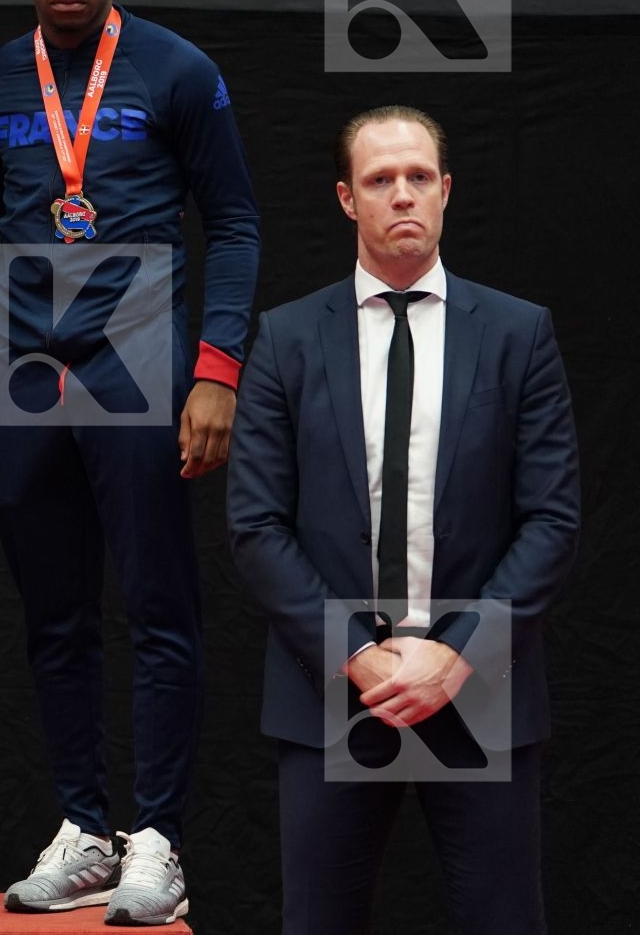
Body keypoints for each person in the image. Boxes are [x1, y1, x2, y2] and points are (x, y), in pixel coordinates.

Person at [0, 0, 260, 926]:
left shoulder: (178, 68)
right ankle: (86, 827)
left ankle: (161, 840)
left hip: (140, 335)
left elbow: (232, 226)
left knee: (160, 609)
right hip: (27, 354)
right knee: (53, 616)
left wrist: (216, 372)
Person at [227, 106, 578, 935]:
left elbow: (552, 518)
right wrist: (356, 656)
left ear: (447, 190)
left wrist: (457, 654)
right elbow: (255, 525)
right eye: (380, 180)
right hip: (333, 685)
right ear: (348, 199)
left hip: (481, 680)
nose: (402, 194)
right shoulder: (285, 340)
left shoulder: (519, 334)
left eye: (419, 176)